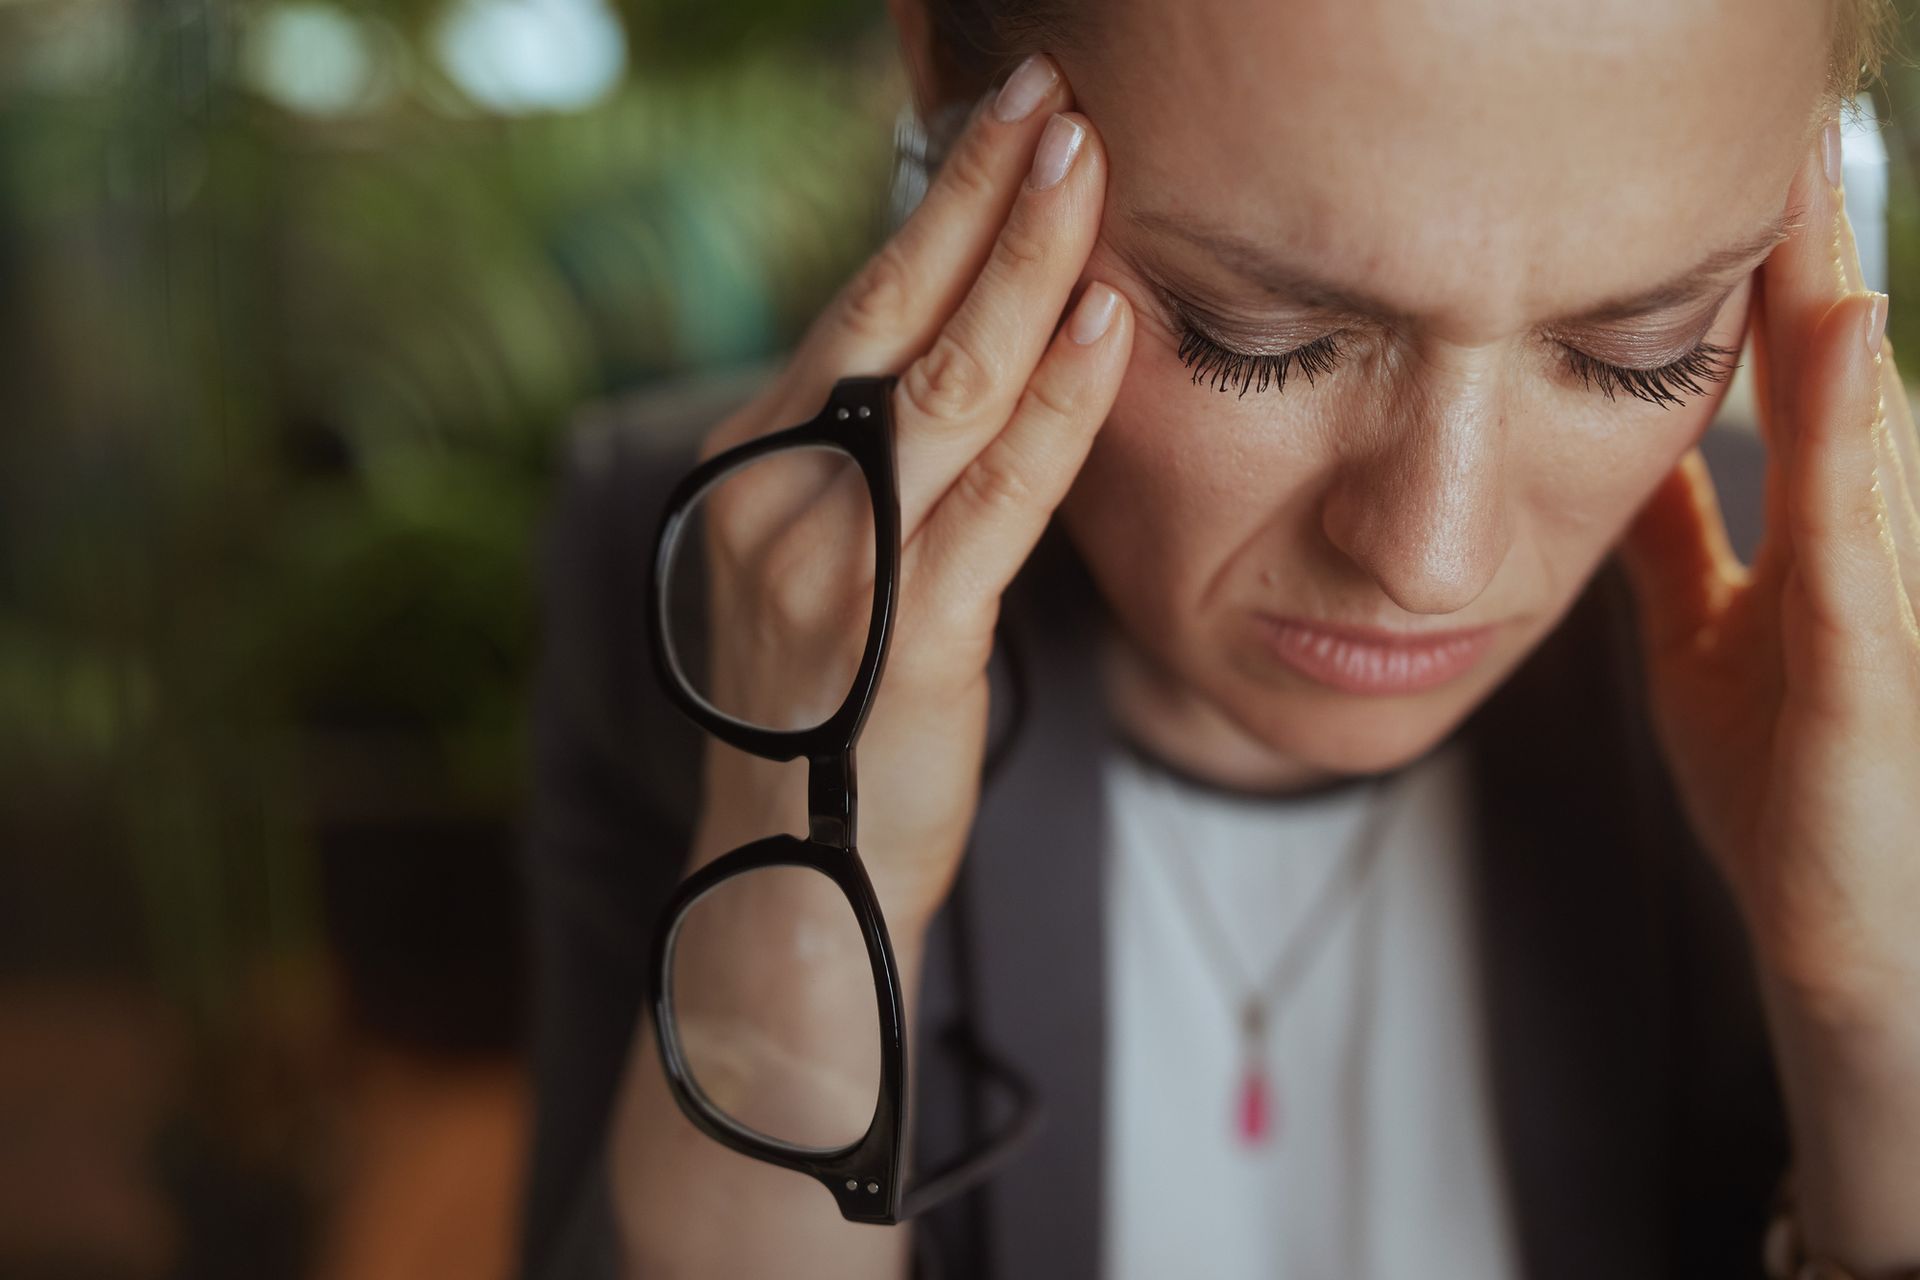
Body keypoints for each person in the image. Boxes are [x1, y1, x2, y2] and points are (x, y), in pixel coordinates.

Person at [515, 1, 1920, 1276]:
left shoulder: (1836, 664)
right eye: (1263, 334)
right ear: (948, 77)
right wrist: (798, 894)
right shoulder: (729, 582)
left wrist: (1880, 1022)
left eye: (1643, 346)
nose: (1434, 563)